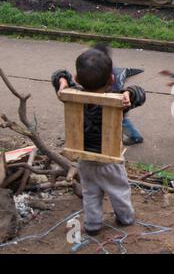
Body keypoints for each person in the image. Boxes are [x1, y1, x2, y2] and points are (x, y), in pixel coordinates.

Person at [51, 45, 146, 236]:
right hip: (109, 160)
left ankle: (93, 224)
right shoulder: (119, 101)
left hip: (84, 158)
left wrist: (62, 82)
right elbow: (141, 94)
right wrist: (129, 93)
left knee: (91, 192)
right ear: (112, 79)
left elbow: (58, 74)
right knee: (118, 190)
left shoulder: (70, 95)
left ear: (77, 79)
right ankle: (125, 218)